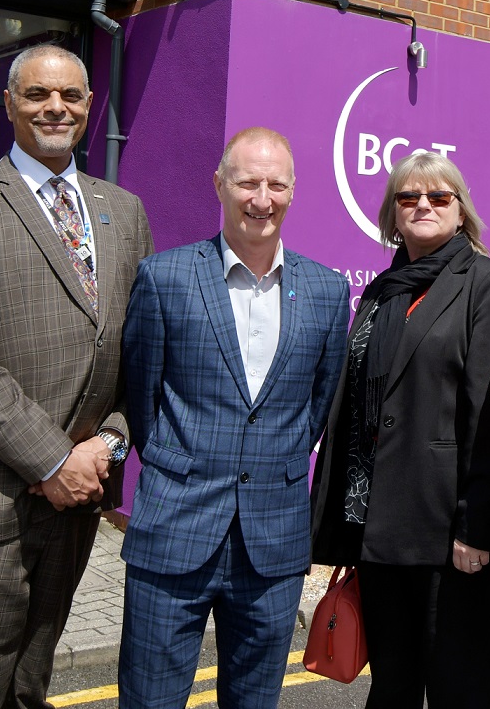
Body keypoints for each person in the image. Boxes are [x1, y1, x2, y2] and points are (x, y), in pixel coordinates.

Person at [0, 44, 152, 709]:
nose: (55, 107)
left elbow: (140, 354)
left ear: (89, 106)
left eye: (71, 96)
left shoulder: (123, 211)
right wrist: (50, 460)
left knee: (27, 689)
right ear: (9, 104)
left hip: (75, 504)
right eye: (38, 94)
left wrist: (108, 447)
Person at [118, 127, 349, 709]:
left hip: (272, 540)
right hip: (174, 526)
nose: (261, 199)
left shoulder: (324, 291)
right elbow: (141, 399)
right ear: (219, 186)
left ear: (294, 192)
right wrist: (179, 465)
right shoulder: (164, 277)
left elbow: (316, 409)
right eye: (247, 182)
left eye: (276, 185)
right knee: (149, 700)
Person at [311, 151, 490, 708]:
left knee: (461, 691)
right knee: (392, 689)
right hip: (380, 532)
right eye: (409, 197)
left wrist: (476, 527)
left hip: (453, 537)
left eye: (439, 196)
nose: (423, 206)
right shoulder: (383, 291)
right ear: (393, 213)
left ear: (461, 213)